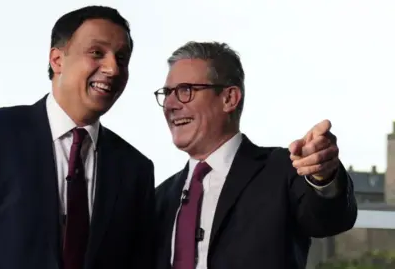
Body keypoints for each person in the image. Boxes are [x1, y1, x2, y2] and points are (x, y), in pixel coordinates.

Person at [0, 6, 155, 269]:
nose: (113, 68)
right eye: (97, 53)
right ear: (57, 60)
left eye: (121, 58)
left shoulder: (135, 169)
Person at [153, 41, 357, 269]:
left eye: (185, 91)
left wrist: (323, 176)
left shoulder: (283, 170)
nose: (170, 104)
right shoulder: (158, 199)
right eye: (167, 93)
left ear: (229, 98)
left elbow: (330, 221)